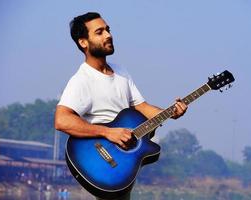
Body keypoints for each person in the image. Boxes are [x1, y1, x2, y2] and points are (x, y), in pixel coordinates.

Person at [54, 12, 188, 200]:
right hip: (97, 167)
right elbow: (62, 120)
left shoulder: (121, 71)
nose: (108, 35)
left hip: (120, 169)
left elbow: (141, 107)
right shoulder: (81, 80)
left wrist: (171, 112)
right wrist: (108, 132)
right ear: (83, 42)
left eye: (108, 30)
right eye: (99, 32)